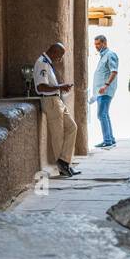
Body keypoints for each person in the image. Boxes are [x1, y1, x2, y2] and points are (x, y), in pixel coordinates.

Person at [34, 42, 80, 177]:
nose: (60, 59)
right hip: (50, 102)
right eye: (59, 56)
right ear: (53, 52)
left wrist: (60, 88)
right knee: (58, 135)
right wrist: (60, 86)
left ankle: (64, 161)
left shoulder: (47, 63)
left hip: (57, 100)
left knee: (72, 127)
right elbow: (41, 87)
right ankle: (63, 168)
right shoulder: (42, 63)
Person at [92, 34, 119, 148]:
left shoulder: (110, 55)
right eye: (95, 44)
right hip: (100, 91)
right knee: (104, 114)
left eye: (98, 44)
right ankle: (110, 139)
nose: (96, 46)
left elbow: (114, 71)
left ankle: (107, 140)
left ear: (104, 43)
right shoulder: (103, 56)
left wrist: (106, 85)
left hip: (105, 91)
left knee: (101, 114)